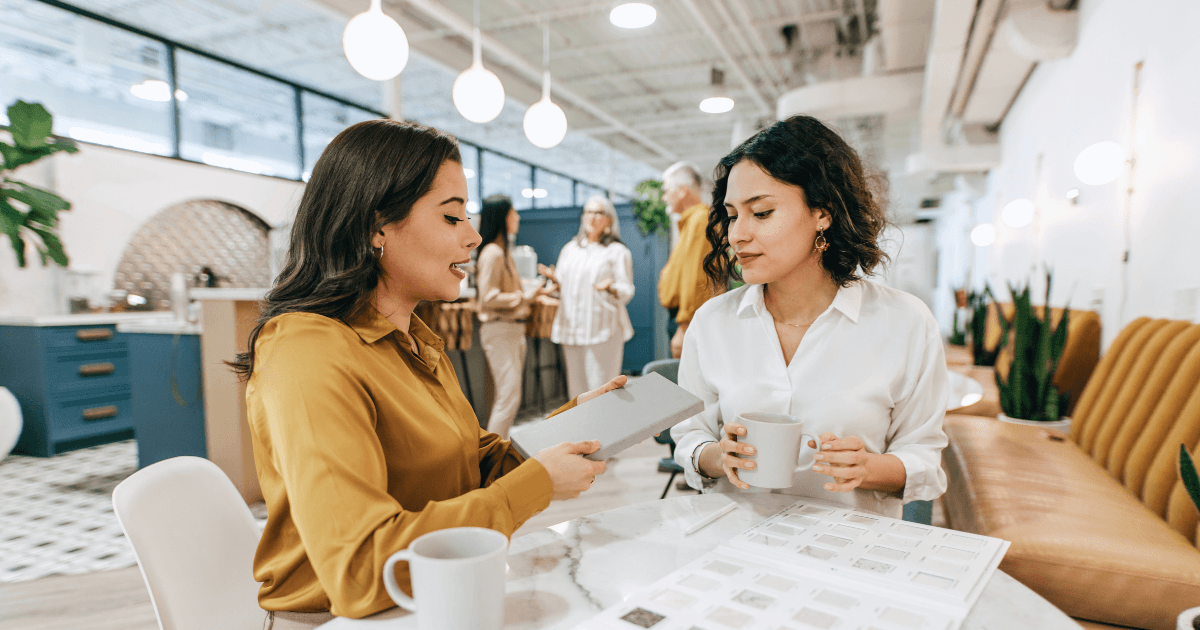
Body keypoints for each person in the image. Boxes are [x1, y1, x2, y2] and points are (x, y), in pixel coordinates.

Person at [231, 119, 623, 627]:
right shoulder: (305, 351)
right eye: (452, 217)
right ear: (377, 227)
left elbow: (470, 467)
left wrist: (572, 427)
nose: (474, 235)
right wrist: (536, 483)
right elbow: (363, 569)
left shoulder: (413, 339)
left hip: (434, 601)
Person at [670, 115, 949, 519]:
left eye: (761, 213)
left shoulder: (905, 322)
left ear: (823, 213)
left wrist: (870, 468)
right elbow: (689, 436)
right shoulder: (713, 323)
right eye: (732, 215)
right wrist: (718, 456)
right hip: (735, 543)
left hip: (850, 553)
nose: (737, 234)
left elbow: (924, 458)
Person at [474, 194, 551, 439]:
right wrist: (523, 297)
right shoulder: (493, 253)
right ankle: (492, 457)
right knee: (508, 396)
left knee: (510, 396)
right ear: (502, 217)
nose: (517, 217)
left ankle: (497, 452)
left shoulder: (501, 251)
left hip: (511, 329)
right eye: (512, 212)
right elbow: (487, 297)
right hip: (501, 329)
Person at [546, 196, 635, 399]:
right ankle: (580, 431)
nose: (592, 217)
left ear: (609, 220)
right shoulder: (570, 250)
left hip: (602, 330)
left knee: (601, 392)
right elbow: (562, 290)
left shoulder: (617, 251)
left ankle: (606, 431)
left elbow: (627, 290)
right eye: (588, 212)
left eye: (598, 213)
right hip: (572, 329)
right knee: (576, 393)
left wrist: (611, 287)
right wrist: (555, 283)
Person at [657, 161, 715, 358]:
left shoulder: (700, 220)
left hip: (688, 322)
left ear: (682, 191)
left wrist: (684, 326)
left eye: (666, 191)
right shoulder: (691, 221)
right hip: (685, 319)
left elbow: (697, 279)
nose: (664, 197)